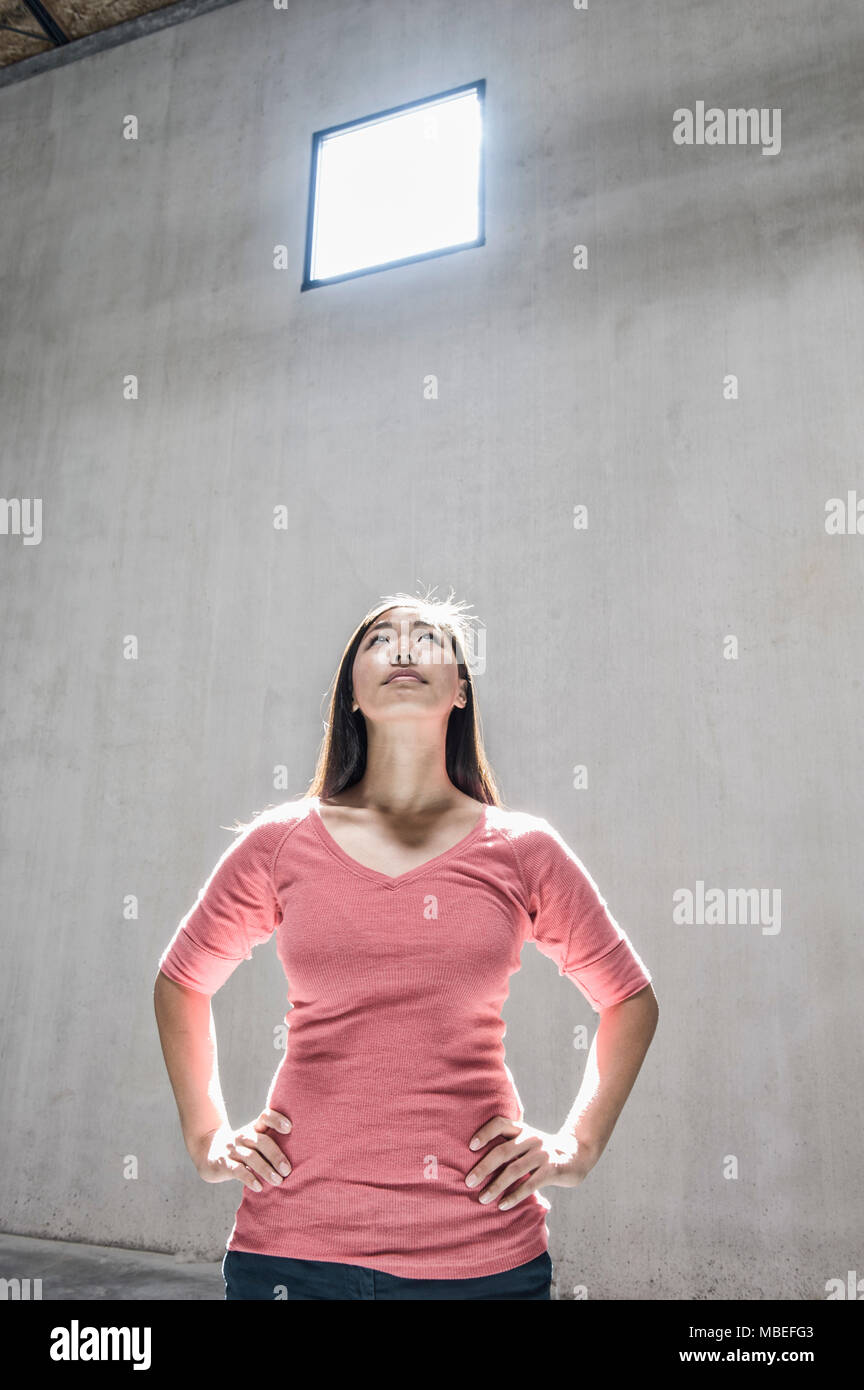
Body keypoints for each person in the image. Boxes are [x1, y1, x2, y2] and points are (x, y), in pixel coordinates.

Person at [154, 589, 659, 1300]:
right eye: (377, 640)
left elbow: (629, 1000)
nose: (401, 648)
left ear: (460, 690)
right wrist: (208, 1139)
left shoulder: (523, 850)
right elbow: (182, 980)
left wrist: (576, 1145)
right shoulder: (280, 843)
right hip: (292, 1254)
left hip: (480, 1259)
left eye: (427, 639)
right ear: (351, 696)